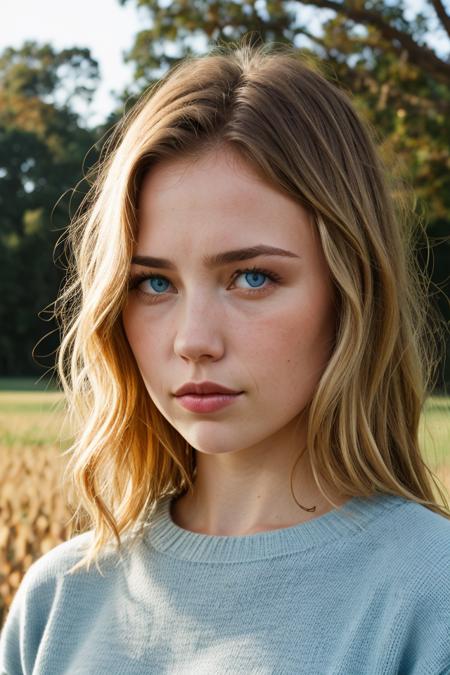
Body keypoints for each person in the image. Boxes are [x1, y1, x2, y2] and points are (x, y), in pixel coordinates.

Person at [1, 38, 449, 675]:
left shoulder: (433, 602)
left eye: (252, 278)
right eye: (153, 283)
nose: (192, 340)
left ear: (352, 289)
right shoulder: (56, 603)